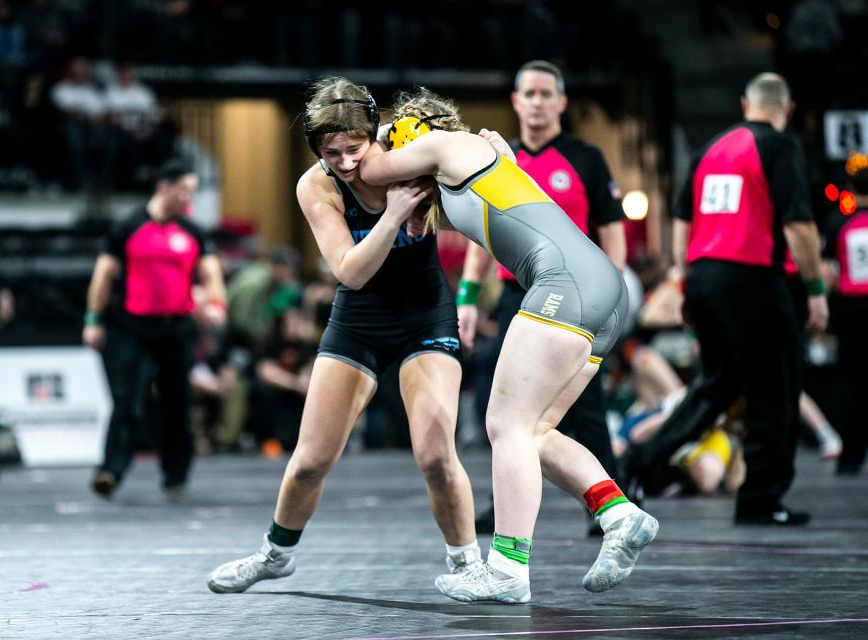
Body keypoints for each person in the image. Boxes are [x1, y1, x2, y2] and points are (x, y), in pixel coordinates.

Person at [360, 88, 658, 604]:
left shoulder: (447, 145)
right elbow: (418, 219)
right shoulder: (477, 166)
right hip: (601, 290)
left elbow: (369, 172)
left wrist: (377, 133)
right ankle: (620, 515)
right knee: (534, 431)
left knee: (505, 426)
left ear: (414, 133)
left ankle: (507, 569)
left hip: (564, 283)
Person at [206, 78, 481, 596]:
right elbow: (350, 273)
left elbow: (485, 190)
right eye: (331, 152)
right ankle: (275, 553)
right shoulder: (316, 185)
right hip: (359, 317)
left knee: (436, 456)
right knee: (311, 460)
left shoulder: (410, 155)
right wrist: (397, 212)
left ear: (374, 136)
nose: (345, 162)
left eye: (355, 149)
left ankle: (469, 566)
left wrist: (491, 151)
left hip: (425, 316)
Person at [629, 73, 828, 526]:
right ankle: (761, 499)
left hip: (702, 279)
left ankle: (638, 464)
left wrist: (684, 282)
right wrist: (815, 290)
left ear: (744, 104)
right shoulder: (781, 146)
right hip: (754, 280)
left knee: (715, 387)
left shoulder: (709, 151)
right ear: (788, 109)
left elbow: (682, 223)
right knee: (776, 391)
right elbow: (799, 226)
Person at [461, 60, 626, 537]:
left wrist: (610, 296)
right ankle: (501, 505)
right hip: (519, 295)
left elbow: (612, 233)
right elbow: (483, 232)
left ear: (561, 102)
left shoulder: (586, 157)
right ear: (515, 102)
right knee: (507, 405)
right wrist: (469, 299)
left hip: (577, 296)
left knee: (586, 406)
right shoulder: (498, 159)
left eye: (544, 94)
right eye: (527, 94)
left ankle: (605, 505)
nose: (535, 102)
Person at [83, 158, 226, 501]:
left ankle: (175, 477)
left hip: (176, 329)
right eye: (185, 191)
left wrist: (216, 306)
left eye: (193, 191)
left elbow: (212, 275)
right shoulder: (127, 228)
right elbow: (103, 276)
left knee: (176, 405)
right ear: (164, 188)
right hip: (131, 329)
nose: (189, 198)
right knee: (127, 402)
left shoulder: (193, 232)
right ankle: (110, 473)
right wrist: (93, 320)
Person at [823, 168, 868, 475]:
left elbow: (829, 271)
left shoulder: (839, 222)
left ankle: (851, 454)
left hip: (850, 309)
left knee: (851, 382)